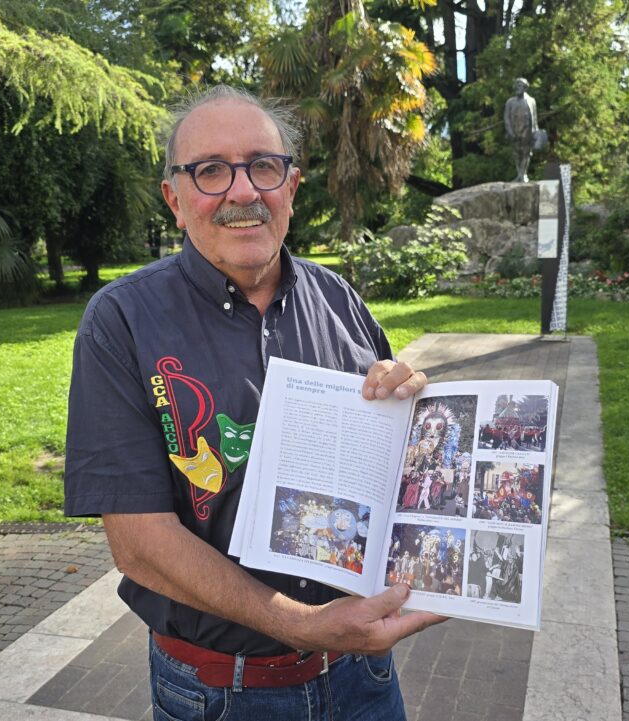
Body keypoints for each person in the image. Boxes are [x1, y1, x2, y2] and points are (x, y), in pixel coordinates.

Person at [63, 85, 445, 721]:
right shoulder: (122, 321)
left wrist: (406, 401)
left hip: (363, 678)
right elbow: (138, 544)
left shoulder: (339, 300)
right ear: (175, 200)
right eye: (210, 170)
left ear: (290, 188)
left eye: (262, 166)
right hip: (221, 695)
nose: (242, 192)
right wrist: (301, 625)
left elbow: (394, 475)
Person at [503, 77, 539, 183]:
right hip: (514, 131)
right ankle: (519, 173)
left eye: (520, 85)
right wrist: (509, 131)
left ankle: (523, 174)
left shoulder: (531, 100)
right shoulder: (510, 102)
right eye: (516, 85)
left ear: (525, 87)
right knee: (516, 153)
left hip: (527, 131)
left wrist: (535, 131)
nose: (518, 87)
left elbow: (534, 117)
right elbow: (506, 118)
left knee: (526, 153)